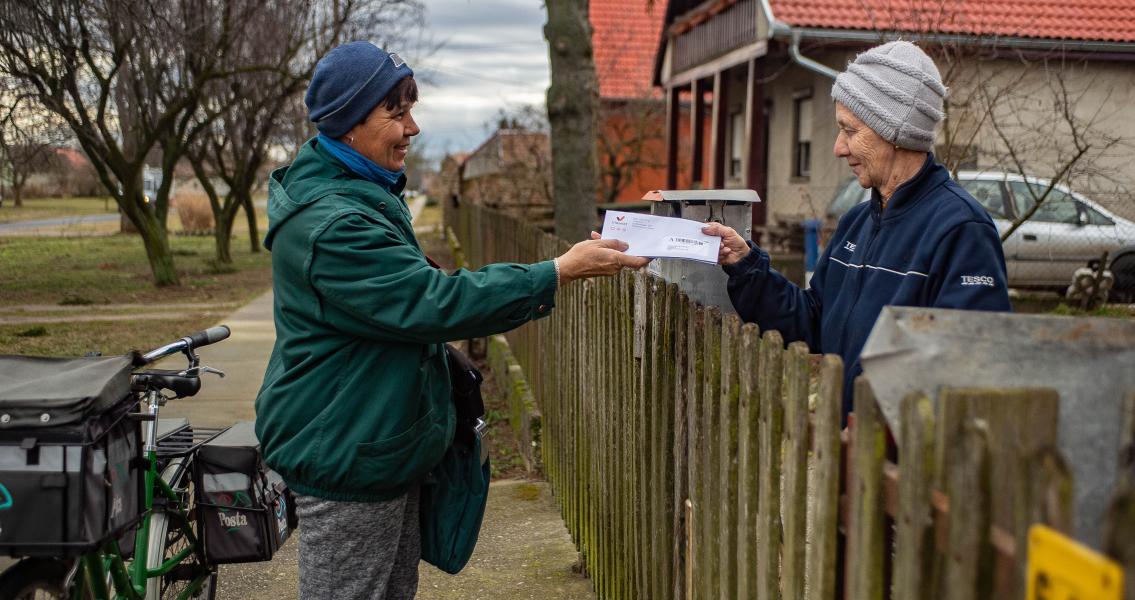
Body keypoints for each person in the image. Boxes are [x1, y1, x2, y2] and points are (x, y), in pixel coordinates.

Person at [254, 41, 649, 600]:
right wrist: (555, 272)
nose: (412, 127)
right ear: (346, 126)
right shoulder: (334, 223)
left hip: (374, 440)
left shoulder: (360, 194)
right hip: (346, 447)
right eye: (396, 112)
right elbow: (432, 302)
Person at [702, 41, 1011, 420]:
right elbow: (811, 321)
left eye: (850, 130)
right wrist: (746, 265)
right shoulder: (857, 222)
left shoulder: (961, 231)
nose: (838, 147)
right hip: (855, 455)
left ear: (895, 131)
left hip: (910, 464)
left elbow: (971, 371)